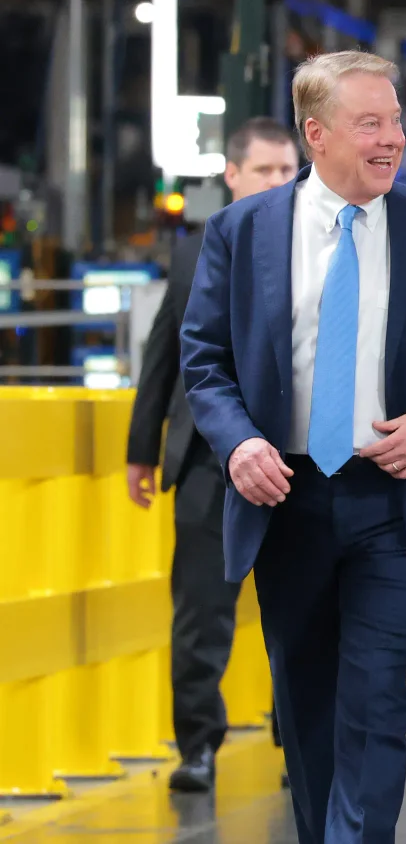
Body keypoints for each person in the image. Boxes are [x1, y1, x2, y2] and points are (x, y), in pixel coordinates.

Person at [180, 50, 406, 842]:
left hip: (396, 503)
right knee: (308, 703)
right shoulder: (240, 232)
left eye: (395, 122)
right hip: (286, 499)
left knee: (376, 697)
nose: (392, 139)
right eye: (370, 124)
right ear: (316, 134)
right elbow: (205, 364)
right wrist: (238, 443)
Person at [126, 116, 298, 792]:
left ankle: (298, 741)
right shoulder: (193, 253)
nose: (279, 183)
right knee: (200, 616)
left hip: (294, 463)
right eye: (265, 171)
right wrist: (143, 449)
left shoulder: (322, 248)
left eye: (289, 171)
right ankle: (197, 747)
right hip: (205, 463)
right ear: (232, 175)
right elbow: (163, 351)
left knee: (299, 610)